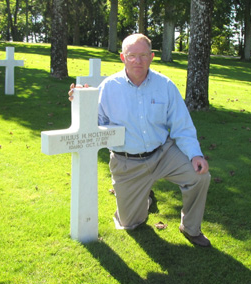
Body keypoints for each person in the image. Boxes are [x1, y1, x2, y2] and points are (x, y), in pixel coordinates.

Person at [68, 34, 211, 247]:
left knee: (199, 176)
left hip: (163, 153)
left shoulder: (165, 85)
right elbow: (93, 123)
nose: (138, 61)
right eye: (132, 55)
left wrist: (195, 154)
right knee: (130, 224)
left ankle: (190, 228)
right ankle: (146, 197)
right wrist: (80, 100)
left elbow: (182, 125)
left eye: (143, 55)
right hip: (127, 162)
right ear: (122, 57)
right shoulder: (109, 87)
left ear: (152, 57)